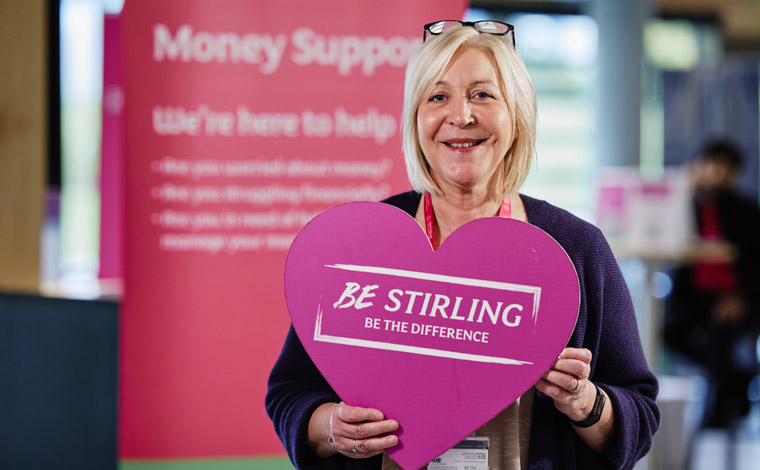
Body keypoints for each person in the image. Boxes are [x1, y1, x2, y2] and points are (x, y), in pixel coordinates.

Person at [266, 20, 659, 469]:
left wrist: (585, 403)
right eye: (437, 97)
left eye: (483, 95)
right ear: (416, 119)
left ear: (517, 114)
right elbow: (291, 394)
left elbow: (640, 414)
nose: (461, 116)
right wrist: (332, 428)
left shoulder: (576, 248)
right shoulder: (360, 244)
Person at [664, 139, 760, 429]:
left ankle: (716, 416)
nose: (716, 173)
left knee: (721, 337)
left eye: (724, 168)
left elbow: (757, 264)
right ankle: (736, 380)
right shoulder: (686, 204)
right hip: (695, 298)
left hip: (736, 296)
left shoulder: (747, 210)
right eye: (711, 165)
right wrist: (687, 189)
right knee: (669, 333)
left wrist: (741, 298)